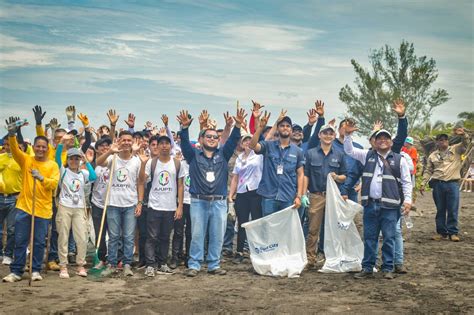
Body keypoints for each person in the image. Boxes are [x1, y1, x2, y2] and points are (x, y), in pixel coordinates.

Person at [178, 108, 245, 277]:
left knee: (217, 235)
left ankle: (214, 264)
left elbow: (232, 140)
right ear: (201, 139)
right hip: (199, 201)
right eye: (208, 136)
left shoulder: (223, 154)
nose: (212, 139)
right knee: (197, 234)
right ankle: (194, 264)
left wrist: (237, 125)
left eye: (215, 137)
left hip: (219, 202)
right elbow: (184, 144)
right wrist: (184, 129)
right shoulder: (193, 155)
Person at [344, 122, 412, 280]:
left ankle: (388, 268)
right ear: (374, 142)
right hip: (370, 204)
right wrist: (347, 135)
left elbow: (407, 182)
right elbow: (349, 150)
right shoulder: (366, 155)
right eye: (379, 138)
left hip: (390, 206)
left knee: (389, 238)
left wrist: (407, 201)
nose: (382, 140)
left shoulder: (399, 159)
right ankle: (367, 267)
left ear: (391, 142)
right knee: (369, 238)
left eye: (386, 138)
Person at [3, 117, 60, 282]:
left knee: (39, 242)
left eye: (43, 147)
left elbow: (53, 184)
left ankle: (35, 270)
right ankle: (16, 271)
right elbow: (14, 150)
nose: (41, 149)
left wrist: (42, 178)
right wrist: (12, 134)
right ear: (33, 147)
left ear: (47, 148)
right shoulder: (26, 160)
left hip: (43, 209)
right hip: (24, 207)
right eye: (38, 146)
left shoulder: (52, 165)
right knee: (20, 241)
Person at [96, 130, 144, 277]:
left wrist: (140, 203)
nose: (126, 143)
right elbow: (98, 162)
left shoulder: (136, 160)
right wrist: (110, 150)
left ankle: (127, 264)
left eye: (129, 140)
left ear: (132, 143)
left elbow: (141, 181)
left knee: (129, 237)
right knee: (114, 236)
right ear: (119, 141)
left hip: (130, 204)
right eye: (124, 140)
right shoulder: (113, 158)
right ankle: (111, 264)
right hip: (113, 203)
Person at [302, 123, 347, 268]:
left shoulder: (340, 154)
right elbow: (306, 175)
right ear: (319, 135)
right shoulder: (310, 154)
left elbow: (345, 176)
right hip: (316, 196)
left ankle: (331, 258)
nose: (328, 136)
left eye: (330, 133)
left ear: (334, 136)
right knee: (313, 229)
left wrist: (337, 177)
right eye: (325, 133)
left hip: (333, 197)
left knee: (333, 228)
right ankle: (310, 258)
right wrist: (304, 194)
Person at [139, 135, 184, 277]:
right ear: (157, 147)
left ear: (171, 146)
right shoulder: (151, 163)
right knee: (152, 237)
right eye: (161, 143)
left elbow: (181, 185)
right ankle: (151, 265)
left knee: (165, 237)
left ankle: (163, 263)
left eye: (167, 143)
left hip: (170, 207)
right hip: (154, 206)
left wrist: (180, 206)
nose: (164, 146)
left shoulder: (177, 163)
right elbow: (141, 181)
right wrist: (142, 163)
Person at [54, 135, 97, 278]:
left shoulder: (83, 173)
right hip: (64, 207)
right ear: (68, 160)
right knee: (63, 236)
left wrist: (86, 162)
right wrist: (61, 143)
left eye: (76, 159)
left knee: (82, 237)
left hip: (79, 208)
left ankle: (80, 265)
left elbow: (93, 177)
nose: (74, 161)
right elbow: (57, 158)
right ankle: (63, 266)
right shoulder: (63, 171)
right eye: (71, 158)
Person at [249, 110, 304, 216]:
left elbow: (300, 174)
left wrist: (299, 196)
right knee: (269, 228)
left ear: (291, 130)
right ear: (278, 129)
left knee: (285, 228)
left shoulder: (297, 151)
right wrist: (260, 127)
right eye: (282, 125)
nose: (285, 128)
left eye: (288, 126)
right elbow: (252, 145)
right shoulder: (268, 145)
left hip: (288, 196)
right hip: (269, 195)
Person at [421, 129, 470, 242]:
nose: (443, 141)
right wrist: (423, 183)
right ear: (437, 142)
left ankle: (453, 233)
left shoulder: (456, 149)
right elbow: (428, 170)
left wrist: (463, 135)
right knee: (440, 209)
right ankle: (442, 232)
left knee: (453, 209)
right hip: (438, 185)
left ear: (448, 141)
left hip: (452, 184)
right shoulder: (433, 155)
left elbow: (466, 143)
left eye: (445, 140)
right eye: (440, 140)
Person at [228, 133, 263, 264]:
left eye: (250, 140)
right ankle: (239, 251)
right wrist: (231, 195)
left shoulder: (259, 156)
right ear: (241, 144)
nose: (248, 142)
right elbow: (235, 178)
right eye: (245, 140)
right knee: (241, 223)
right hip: (242, 192)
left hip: (256, 192)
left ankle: (257, 251)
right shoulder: (239, 158)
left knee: (256, 222)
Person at [0, 121, 31, 266]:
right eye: (5, 144)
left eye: (9, 144)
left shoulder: (22, 159)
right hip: (1, 197)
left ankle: (8, 254)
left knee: (12, 229)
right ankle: (0, 253)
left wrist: (17, 132)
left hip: (15, 198)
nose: (7, 147)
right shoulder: (1, 158)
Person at [90, 136, 113, 268]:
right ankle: (101, 258)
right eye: (101, 146)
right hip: (97, 203)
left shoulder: (114, 160)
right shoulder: (94, 164)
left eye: (107, 145)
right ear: (97, 149)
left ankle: (114, 257)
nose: (105, 148)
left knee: (114, 233)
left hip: (111, 203)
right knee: (100, 232)